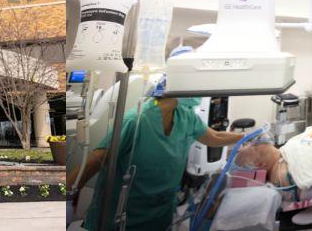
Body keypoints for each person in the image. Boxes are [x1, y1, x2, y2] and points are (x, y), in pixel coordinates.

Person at [70, 79, 247, 231]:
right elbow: (96, 160)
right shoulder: (135, 121)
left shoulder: (185, 116)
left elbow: (214, 137)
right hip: (122, 216)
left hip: (159, 215)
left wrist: (246, 137)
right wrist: (65, 195)